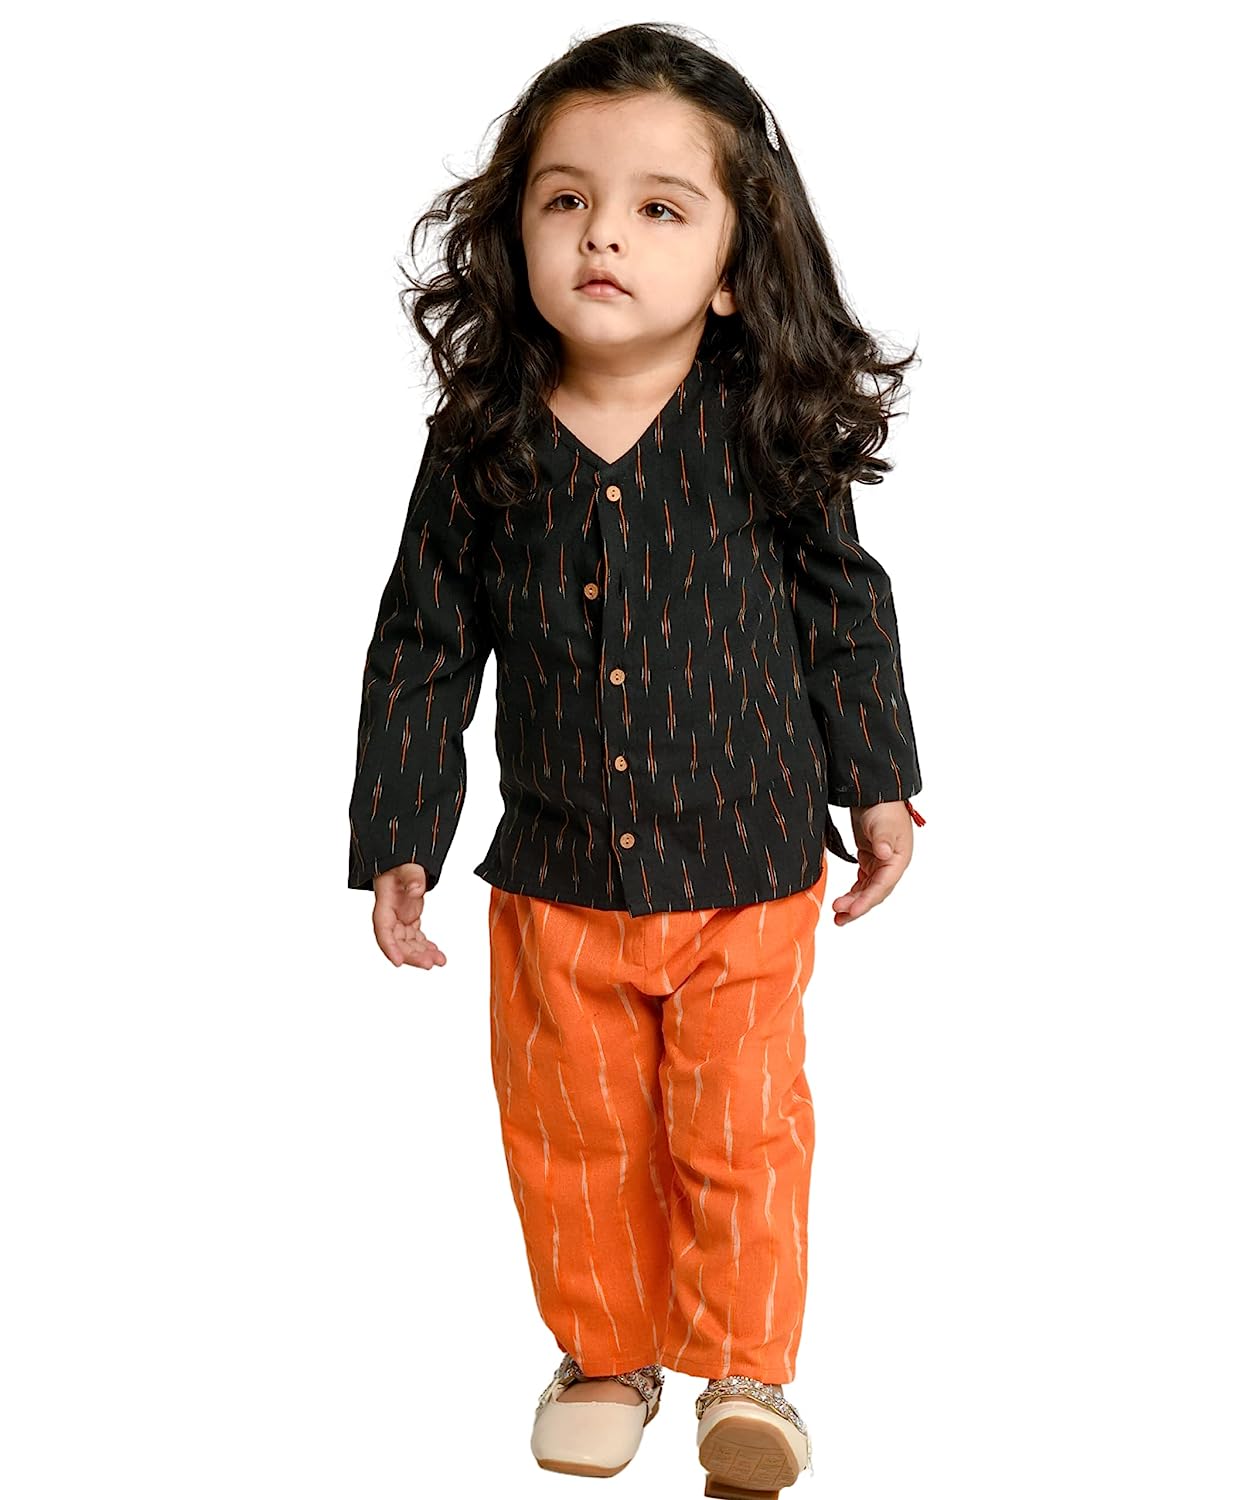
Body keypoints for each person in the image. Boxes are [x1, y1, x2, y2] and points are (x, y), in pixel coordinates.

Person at [346, 23, 925, 1497]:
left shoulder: (761, 429)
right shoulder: (480, 440)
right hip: (555, 881)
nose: (603, 232)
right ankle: (605, 1356)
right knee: (574, 1137)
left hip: (745, 870)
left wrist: (877, 782)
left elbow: (844, 609)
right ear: (514, 234)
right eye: (567, 199)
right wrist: (400, 832)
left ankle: (746, 1376)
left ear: (732, 266)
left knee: (740, 1131)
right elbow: (422, 642)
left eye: (660, 207)